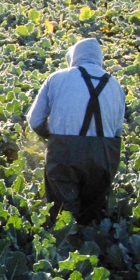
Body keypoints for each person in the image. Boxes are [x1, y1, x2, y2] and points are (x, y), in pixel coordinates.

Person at [27, 38, 125, 222]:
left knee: (64, 213)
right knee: (92, 212)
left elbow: (35, 120)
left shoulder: (57, 78)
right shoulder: (116, 86)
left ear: (74, 56)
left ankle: (68, 245)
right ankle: (91, 244)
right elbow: (117, 132)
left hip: (65, 152)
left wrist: (50, 137)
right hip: (105, 155)